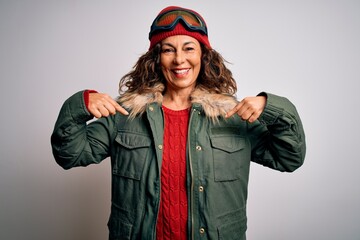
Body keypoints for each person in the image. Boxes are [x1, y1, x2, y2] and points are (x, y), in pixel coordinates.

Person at [51, 6, 306, 240]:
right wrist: (80, 105)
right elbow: (69, 155)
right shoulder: (125, 115)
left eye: (188, 48)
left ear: (203, 56)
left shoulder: (232, 117)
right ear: (156, 58)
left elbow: (289, 157)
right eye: (168, 49)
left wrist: (272, 107)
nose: (179, 60)